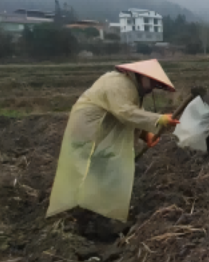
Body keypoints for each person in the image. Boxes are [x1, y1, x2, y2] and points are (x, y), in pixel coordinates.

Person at [47, 59, 180, 222]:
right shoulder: (118, 83)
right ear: (140, 76)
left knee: (105, 166)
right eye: (151, 82)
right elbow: (125, 112)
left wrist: (146, 136)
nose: (152, 87)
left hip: (102, 131)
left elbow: (136, 113)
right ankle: (84, 211)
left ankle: (97, 208)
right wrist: (158, 119)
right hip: (90, 131)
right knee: (94, 166)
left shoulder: (131, 88)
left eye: (155, 84)